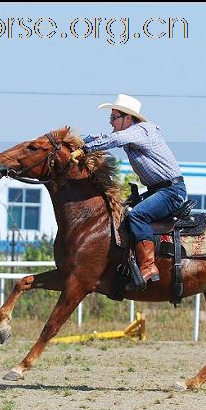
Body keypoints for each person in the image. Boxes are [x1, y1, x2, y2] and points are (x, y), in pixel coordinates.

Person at [70, 94, 187, 287]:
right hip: (160, 190)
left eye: (113, 117)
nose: (111, 122)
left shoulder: (140, 130)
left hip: (171, 192)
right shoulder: (133, 133)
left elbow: (114, 139)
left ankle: (149, 266)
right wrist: (74, 143)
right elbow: (103, 138)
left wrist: (85, 150)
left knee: (137, 216)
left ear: (128, 119)